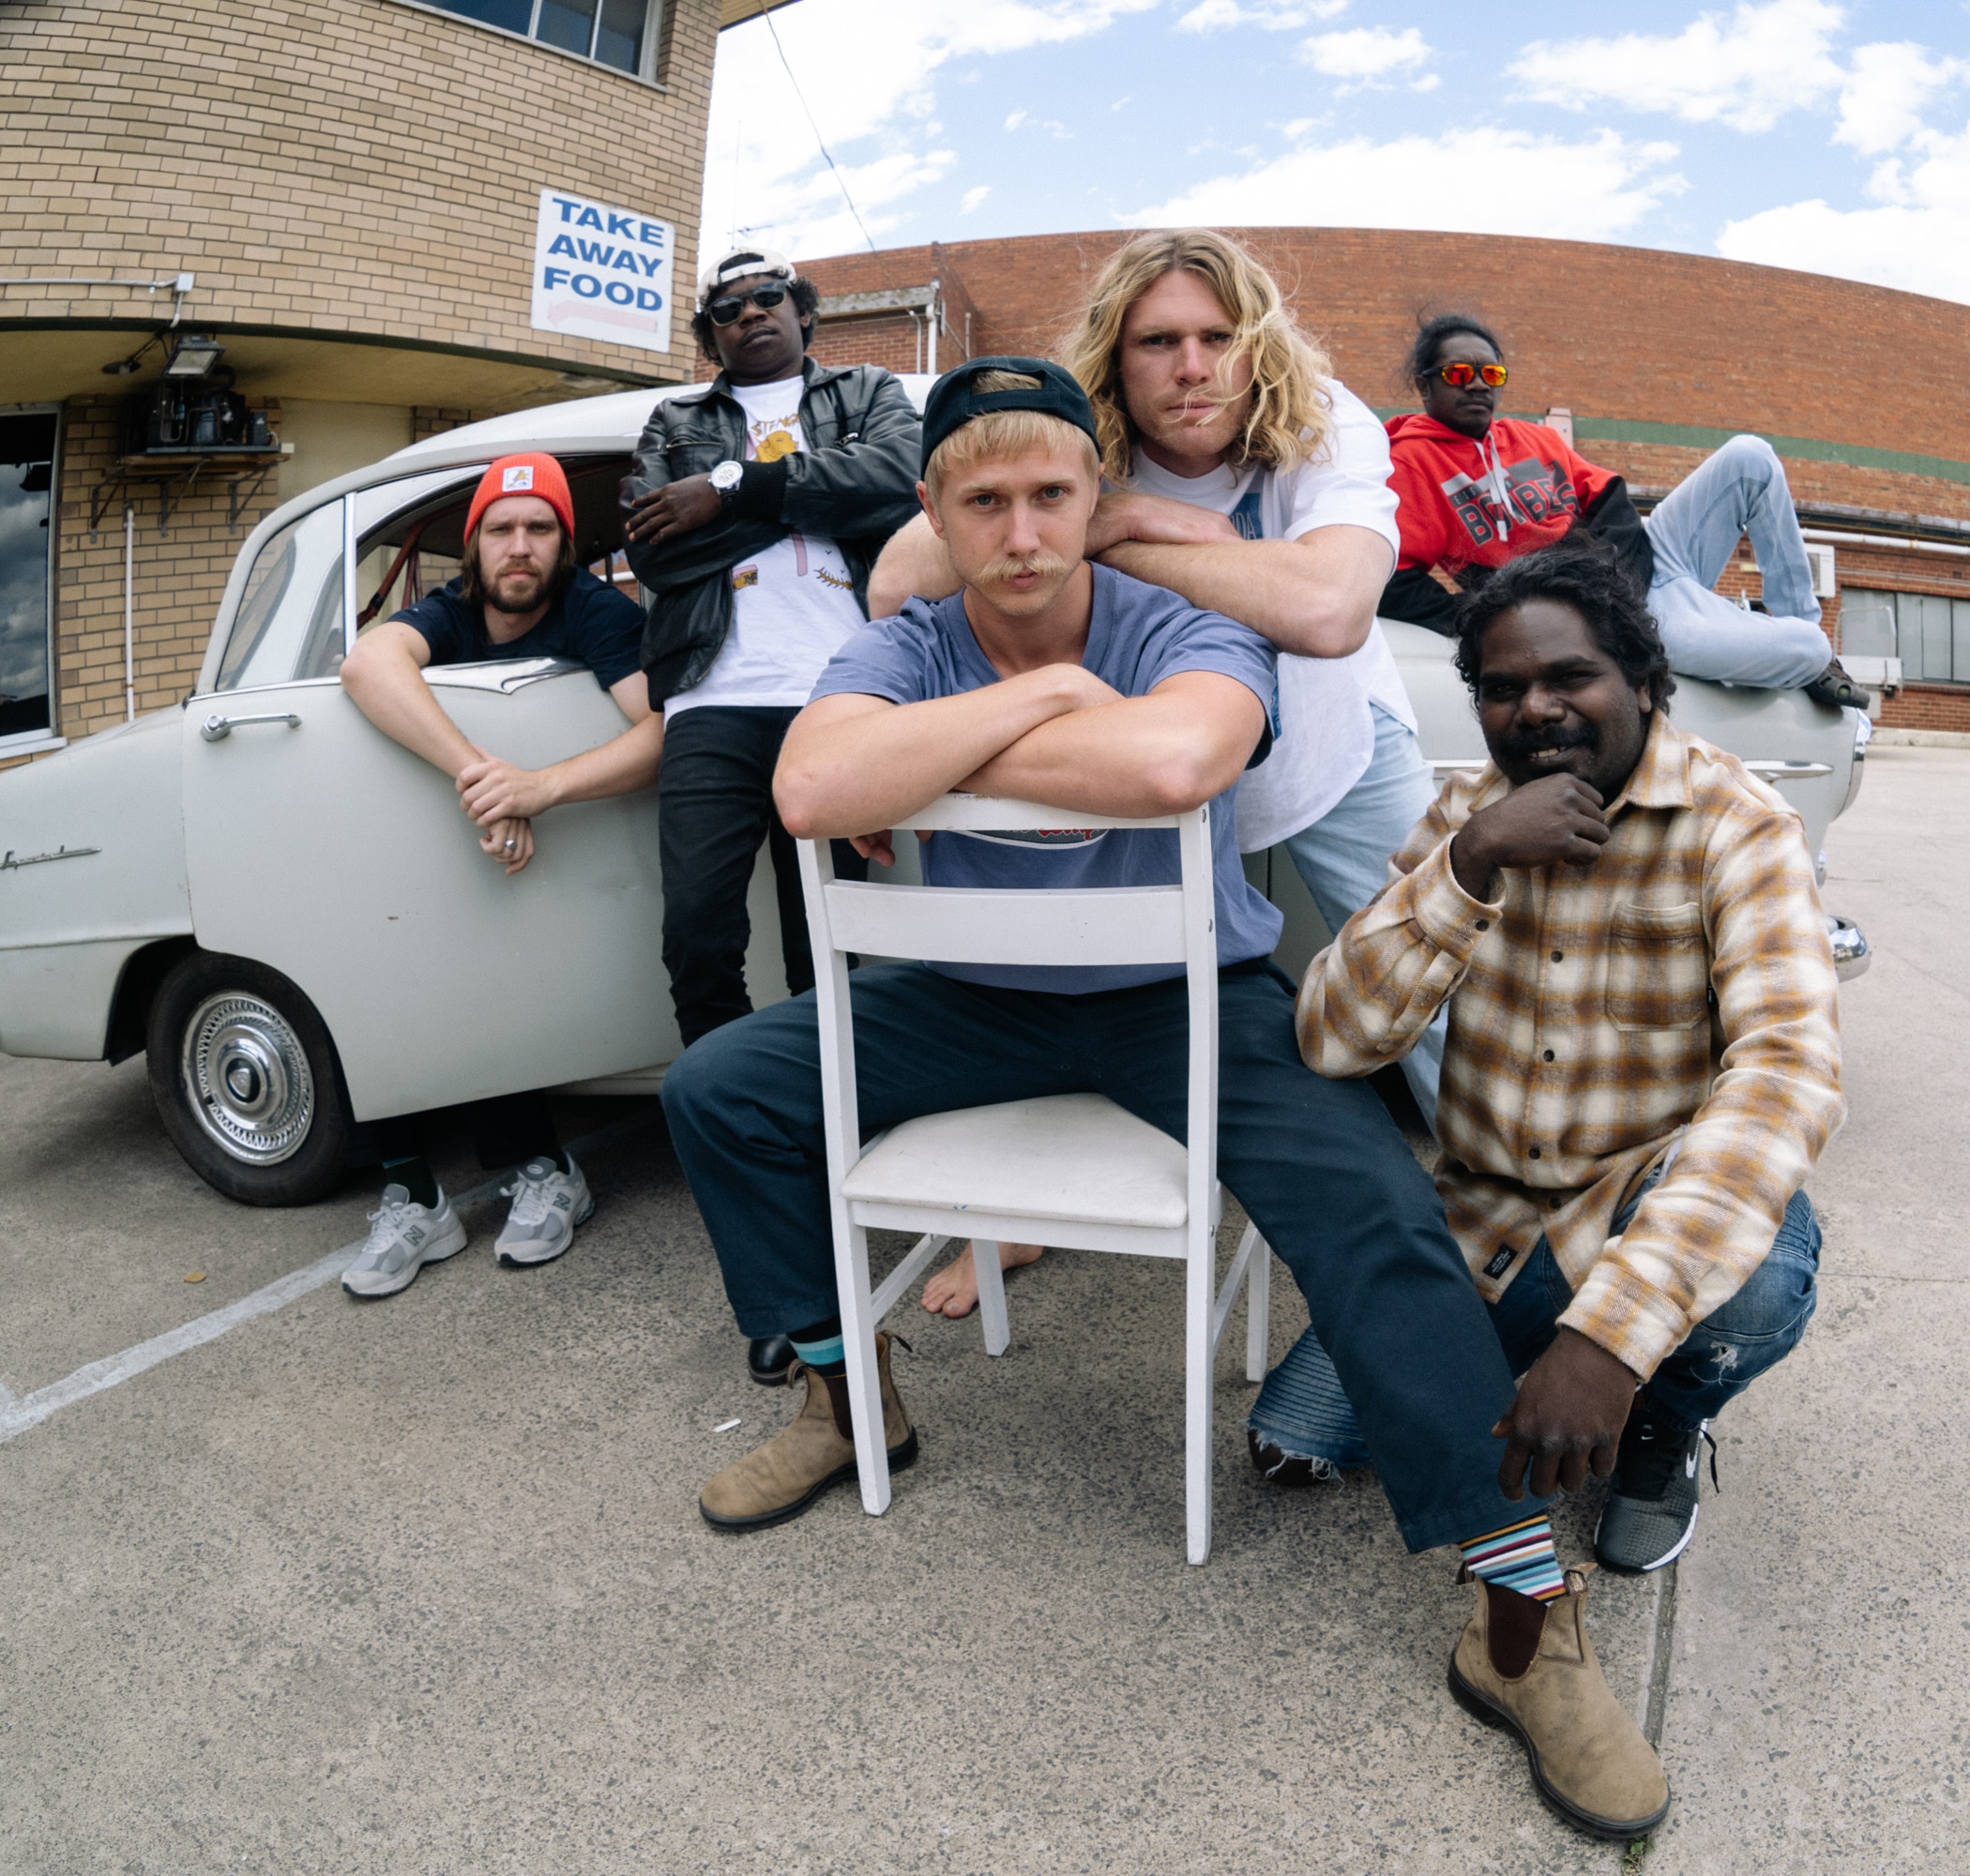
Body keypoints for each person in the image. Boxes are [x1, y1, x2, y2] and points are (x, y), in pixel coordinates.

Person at [666, 364, 1667, 1840]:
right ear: (935, 511)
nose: (1021, 532)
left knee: (1376, 1204)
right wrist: (1059, 698)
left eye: (1052, 495)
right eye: (985, 500)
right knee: (721, 1090)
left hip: (1187, 997)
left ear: (1095, 502)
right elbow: (813, 791)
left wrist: (986, 732)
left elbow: (1180, 754)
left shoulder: (1185, 621)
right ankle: (839, 1393)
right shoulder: (902, 636)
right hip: (976, 999)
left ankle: (1518, 1602)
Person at [867, 228, 1443, 1323]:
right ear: (1114, 356)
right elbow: (898, 582)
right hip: (1155, 755)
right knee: (1054, 968)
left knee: (1442, 979)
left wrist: (1119, 523)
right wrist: (1120, 511)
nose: (1192, 367)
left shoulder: (1325, 419)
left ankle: (1502, 1215)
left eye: (1219, 337)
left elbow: (1328, 611)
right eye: (1159, 340)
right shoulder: (1068, 430)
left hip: (1328, 744)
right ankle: (1020, 1210)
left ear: (1257, 345)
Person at [1256, 544, 1844, 1598]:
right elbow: (1333, 1039)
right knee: (1289, 1442)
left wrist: (1612, 1343)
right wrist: (1469, 861)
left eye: (1570, 677)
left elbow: (1785, 1075)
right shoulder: (1467, 814)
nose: (1537, 709)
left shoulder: (1739, 826)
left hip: (1638, 1204)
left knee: (1756, 1284)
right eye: (1503, 688)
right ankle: (1527, 1356)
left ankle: (1666, 1413)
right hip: (1481, 1223)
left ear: (1644, 684)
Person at [624, 247, 924, 1381]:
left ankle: (846, 1144)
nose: (751, 317)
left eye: (768, 302)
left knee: (829, 943)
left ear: (803, 316)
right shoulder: (673, 420)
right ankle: (749, 1150)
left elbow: (902, 482)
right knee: (697, 931)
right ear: (710, 337)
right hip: (713, 699)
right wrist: (790, 498)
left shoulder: (866, 395)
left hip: (842, 688)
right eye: (728, 310)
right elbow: (656, 553)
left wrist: (733, 491)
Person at [333, 450, 650, 1296]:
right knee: (363, 959)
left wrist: (539, 787)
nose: (520, 547)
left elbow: (664, 733)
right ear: (472, 548)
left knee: (495, 978)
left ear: (565, 543)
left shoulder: (594, 612)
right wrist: (486, 780)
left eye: (539, 528)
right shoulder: (452, 608)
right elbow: (366, 664)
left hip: (574, 856)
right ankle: (411, 1192)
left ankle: (544, 1170)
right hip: (456, 836)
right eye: (500, 529)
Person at [1381, 313, 1869, 710]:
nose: (1478, 386)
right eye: (1459, 375)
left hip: (1644, 564)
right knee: (1804, 648)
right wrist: (1488, 620)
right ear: (1426, 387)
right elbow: (1394, 581)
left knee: (1750, 456)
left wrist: (1620, 590)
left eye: (1492, 374)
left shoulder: (1533, 438)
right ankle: (1810, 653)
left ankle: (1811, 639)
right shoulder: (1411, 461)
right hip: (1605, 615)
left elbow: (1610, 497)